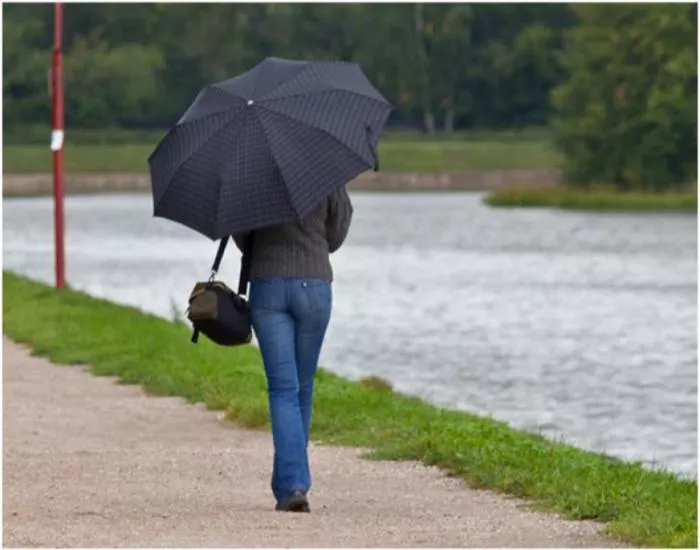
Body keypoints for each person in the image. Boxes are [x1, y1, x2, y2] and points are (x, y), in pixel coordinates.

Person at [233, 186, 353, 513]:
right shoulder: (327, 175)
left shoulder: (251, 177)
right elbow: (336, 235)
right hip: (314, 285)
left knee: (282, 389)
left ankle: (291, 485)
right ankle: (291, 485)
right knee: (302, 387)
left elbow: (242, 237)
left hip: (268, 285)